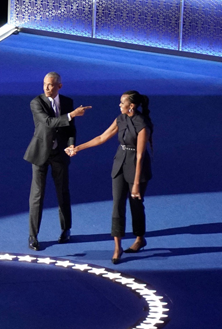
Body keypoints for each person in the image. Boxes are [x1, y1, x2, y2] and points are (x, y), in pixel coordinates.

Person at [67, 91, 153, 264]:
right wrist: (77, 148)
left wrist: (136, 183)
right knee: (117, 205)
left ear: (131, 106)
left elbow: (140, 156)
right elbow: (102, 137)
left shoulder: (142, 124)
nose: (119, 105)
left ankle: (139, 238)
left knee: (136, 204)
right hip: (120, 164)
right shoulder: (120, 119)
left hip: (137, 168)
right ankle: (117, 246)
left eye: (122, 103)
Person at [24, 72, 91, 251]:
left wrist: (71, 145)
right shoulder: (36, 102)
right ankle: (33, 236)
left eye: (51, 85)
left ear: (59, 86)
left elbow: (70, 129)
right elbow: (48, 122)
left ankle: (66, 229)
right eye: (45, 84)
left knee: (63, 191)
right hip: (40, 154)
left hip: (59, 155)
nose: (47, 88)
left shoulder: (68, 102)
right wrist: (71, 115)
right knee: (37, 195)